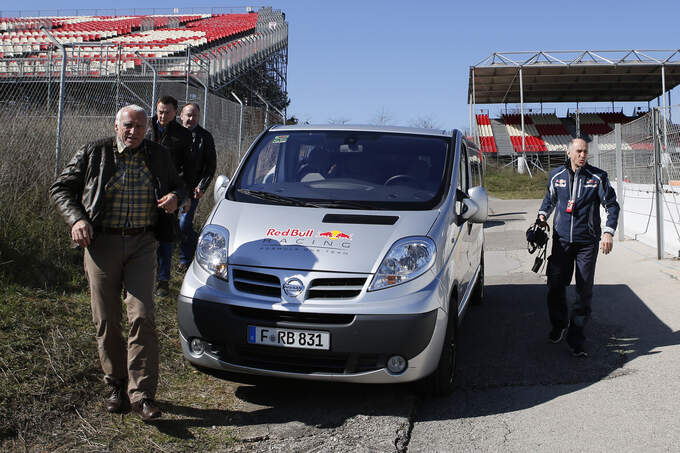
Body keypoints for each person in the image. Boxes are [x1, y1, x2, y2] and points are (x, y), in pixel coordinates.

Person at [49, 105, 186, 420]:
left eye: (140, 126)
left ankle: (143, 395)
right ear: (116, 125)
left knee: (143, 315)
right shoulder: (95, 152)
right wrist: (77, 219)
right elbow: (61, 188)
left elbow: (178, 184)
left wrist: (176, 198)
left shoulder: (158, 154)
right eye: (128, 125)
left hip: (143, 243)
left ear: (147, 128)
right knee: (107, 319)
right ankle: (116, 384)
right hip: (102, 243)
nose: (134, 132)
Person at [538, 137, 620, 357]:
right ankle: (559, 325)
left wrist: (608, 232)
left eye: (585, 152)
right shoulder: (556, 175)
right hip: (562, 241)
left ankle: (577, 338)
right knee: (555, 286)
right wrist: (542, 215)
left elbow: (612, 206)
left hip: (587, 242)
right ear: (569, 152)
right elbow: (549, 199)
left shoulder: (598, 177)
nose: (583, 155)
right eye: (579, 151)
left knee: (583, 291)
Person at [147, 95, 193, 297]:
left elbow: (187, 169)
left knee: (166, 236)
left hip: (168, 191)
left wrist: (183, 196)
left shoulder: (182, 136)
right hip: (144, 187)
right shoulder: (146, 127)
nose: (162, 115)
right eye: (159, 111)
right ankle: (141, 277)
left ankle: (163, 280)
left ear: (176, 112)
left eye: (167, 112)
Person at [177, 102, 217, 270]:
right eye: (188, 115)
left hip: (192, 189)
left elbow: (210, 165)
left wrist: (202, 186)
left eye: (194, 116)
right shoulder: (173, 134)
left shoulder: (204, 137)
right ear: (181, 116)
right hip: (172, 187)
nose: (191, 118)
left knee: (184, 224)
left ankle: (185, 260)